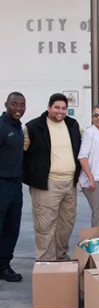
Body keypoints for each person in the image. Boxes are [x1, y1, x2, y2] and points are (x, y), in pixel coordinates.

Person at [22, 93, 81, 261]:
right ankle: (45, 263)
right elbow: (21, 154)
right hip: (46, 185)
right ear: (49, 107)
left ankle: (60, 257)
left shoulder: (72, 124)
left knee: (66, 225)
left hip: (70, 184)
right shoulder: (34, 127)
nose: (60, 111)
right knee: (45, 226)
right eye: (57, 107)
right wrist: (31, 176)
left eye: (63, 108)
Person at [0, 92, 26, 282]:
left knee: (12, 227)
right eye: (14, 104)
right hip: (1, 184)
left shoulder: (18, 126)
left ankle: (3, 266)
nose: (18, 108)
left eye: (22, 105)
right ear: (6, 105)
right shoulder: (1, 126)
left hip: (16, 185)